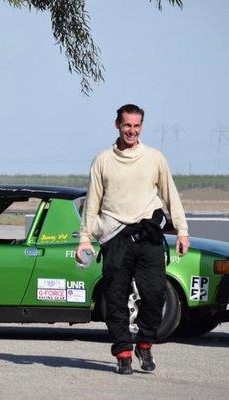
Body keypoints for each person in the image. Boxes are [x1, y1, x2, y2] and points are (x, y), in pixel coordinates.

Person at [76, 104, 189, 375]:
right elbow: (92, 203)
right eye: (127, 125)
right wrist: (85, 239)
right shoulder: (102, 160)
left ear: (142, 127)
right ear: (117, 125)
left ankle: (145, 343)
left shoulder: (154, 158)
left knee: (155, 294)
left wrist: (182, 230)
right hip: (115, 237)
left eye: (137, 126)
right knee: (115, 297)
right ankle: (123, 351)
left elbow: (170, 194)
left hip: (148, 235)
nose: (132, 131)